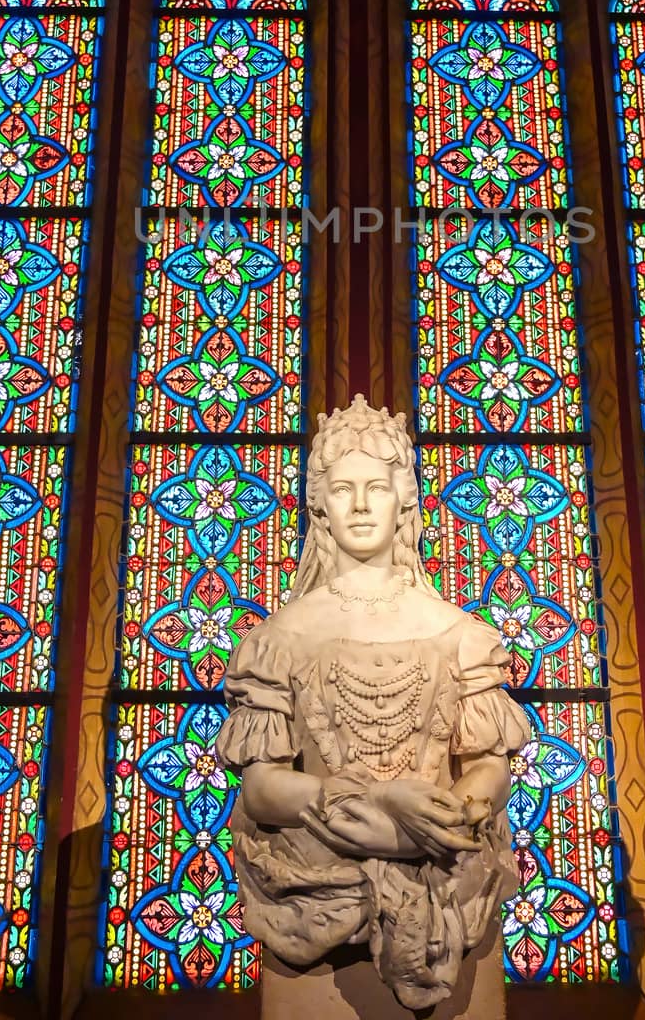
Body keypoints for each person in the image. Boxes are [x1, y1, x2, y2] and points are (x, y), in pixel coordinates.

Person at [216, 395, 529, 1010]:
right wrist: (378, 805)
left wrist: (441, 823)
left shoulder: (461, 635)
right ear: (319, 505)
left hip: (451, 890)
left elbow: (490, 767)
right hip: (312, 899)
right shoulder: (280, 638)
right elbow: (260, 788)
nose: (360, 505)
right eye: (342, 489)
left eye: (376, 488)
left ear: (404, 498)